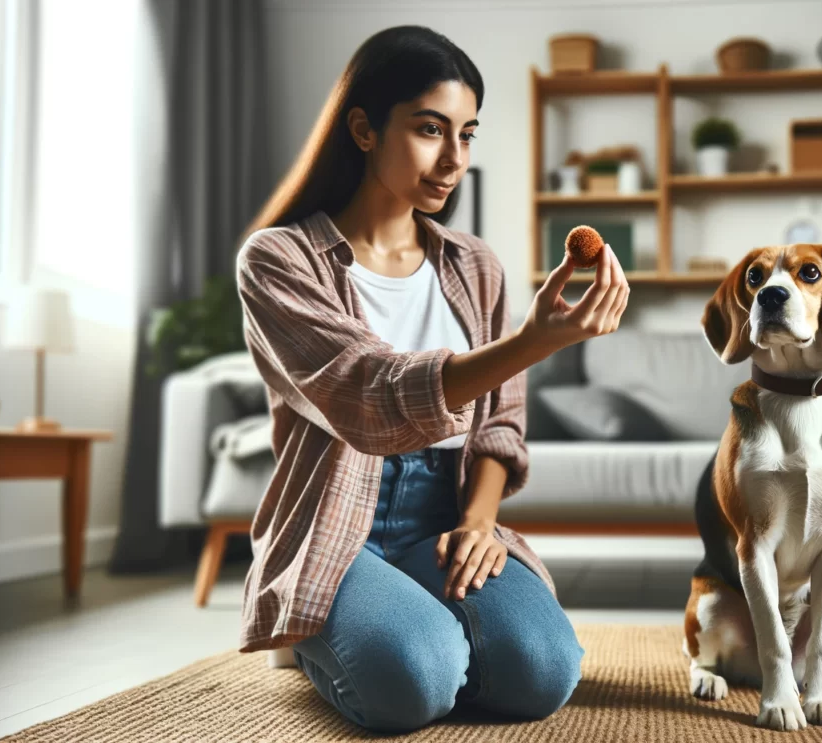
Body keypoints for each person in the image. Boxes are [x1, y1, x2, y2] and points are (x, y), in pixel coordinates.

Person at [233, 25, 629, 732]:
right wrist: (532, 342)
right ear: (363, 128)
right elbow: (366, 392)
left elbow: (501, 424)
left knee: (544, 672)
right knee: (415, 682)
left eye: (468, 134)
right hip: (333, 522)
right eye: (429, 129)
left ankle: (401, 628)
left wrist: (480, 524)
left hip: (444, 514)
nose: (454, 159)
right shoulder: (279, 260)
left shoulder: (474, 265)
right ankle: (324, 625)